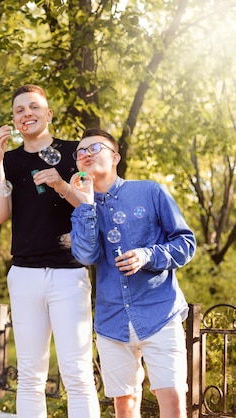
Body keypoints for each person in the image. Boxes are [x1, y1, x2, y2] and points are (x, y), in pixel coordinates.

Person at [0, 84, 100, 417]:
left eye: (34, 107)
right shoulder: (8, 160)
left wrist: (62, 186)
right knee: (29, 376)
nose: (27, 114)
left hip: (69, 272)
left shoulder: (72, 153)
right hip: (24, 275)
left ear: (48, 114)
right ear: (14, 120)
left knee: (77, 373)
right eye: (20, 110)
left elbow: (89, 205)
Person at [70, 128, 195, 418]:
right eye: (80, 152)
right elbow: (86, 255)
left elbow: (186, 243)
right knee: (124, 407)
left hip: (159, 313)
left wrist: (147, 254)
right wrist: (86, 204)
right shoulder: (82, 207)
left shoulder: (150, 191)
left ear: (115, 157)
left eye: (94, 148)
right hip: (112, 321)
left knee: (173, 403)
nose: (86, 154)